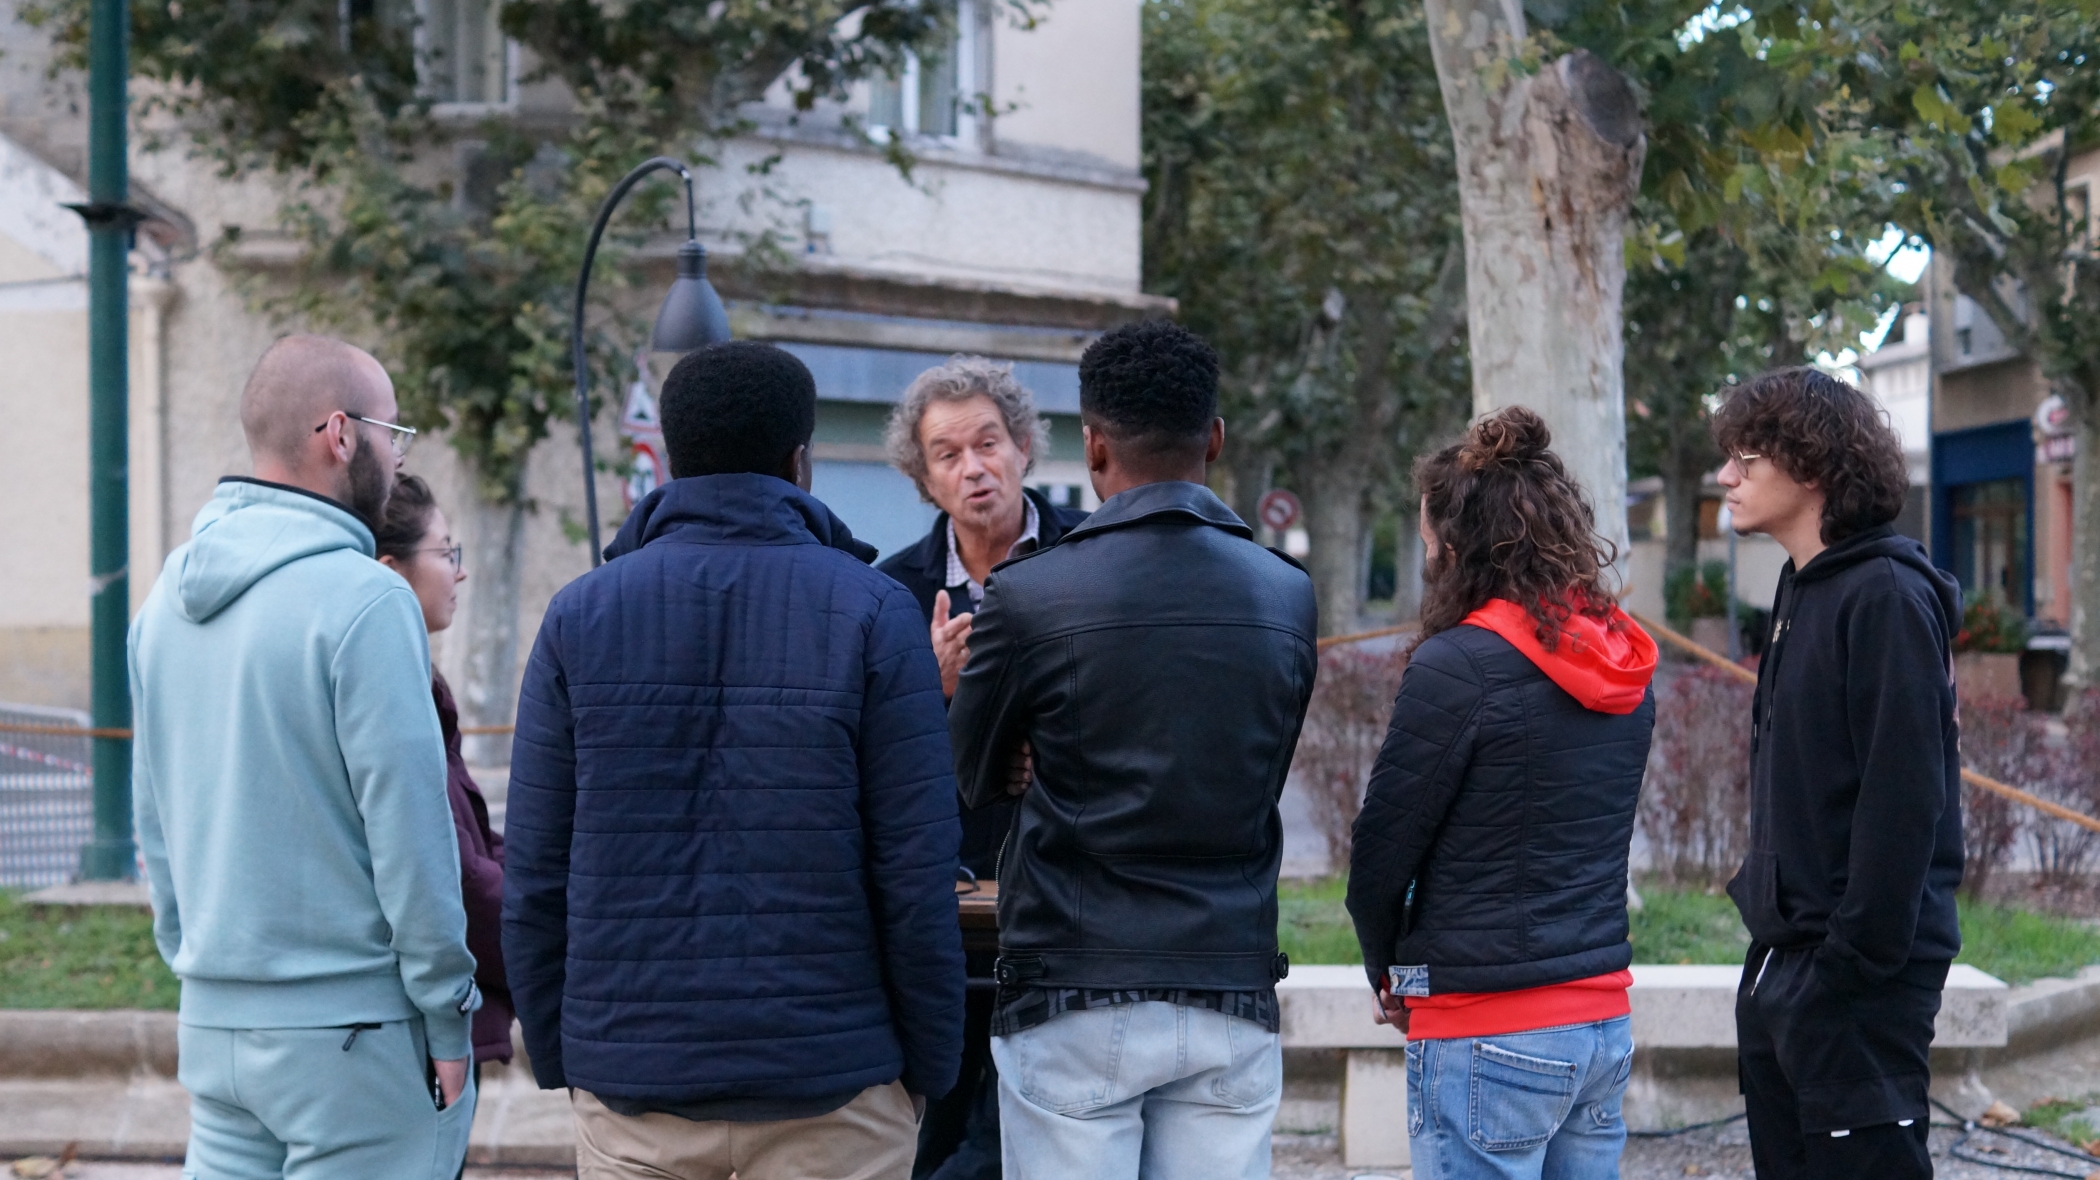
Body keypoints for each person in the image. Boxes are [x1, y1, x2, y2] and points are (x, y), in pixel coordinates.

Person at [503, 341, 966, 1180]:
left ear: (672, 463)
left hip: (634, 1087)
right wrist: (928, 1070)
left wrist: (566, 1056)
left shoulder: (579, 616)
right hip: (838, 1091)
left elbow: (536, 869)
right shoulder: (874, 611)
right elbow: (915, 871)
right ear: (801, 462)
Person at [947, 319, 1318, 1180]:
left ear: (1094, 446)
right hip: (1228, 978)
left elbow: (972, 772)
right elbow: (1257, 763)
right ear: (1215, 439)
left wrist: (1027, 757)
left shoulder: (1030, 593)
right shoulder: (1287, 595)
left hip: (1072, 983)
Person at [129, 334, 480, 1178]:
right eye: (394, 433)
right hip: (354, 1038)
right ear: (340, 433)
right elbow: (410, 834)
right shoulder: (365, 601)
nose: (398, 460)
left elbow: (156, 823)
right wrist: (446, 1016)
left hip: (216, 1029)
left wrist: (199, 967)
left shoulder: (165, 599)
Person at [1344, 407, 1658, 1179]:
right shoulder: (1624, 664)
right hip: (1599, 1021)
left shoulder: (1459, 667)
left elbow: (1381, 858)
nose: (1426, 561)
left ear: (1458, 550)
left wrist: (1390, 975)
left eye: (1427, 544)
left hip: (1485, 1027)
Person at [1712, 367, 1962, 1180]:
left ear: (1812, 467)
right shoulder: (1801, 587)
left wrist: (1847, 966)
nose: (1726, 476)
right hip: (1788, 960)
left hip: (1857, 983)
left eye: (1746, 459)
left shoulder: (1885, 596)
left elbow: (1904, 797)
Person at [875, 356, 1089, 1180]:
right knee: (944, 1136)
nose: (974, 468)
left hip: (1075, 898)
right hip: (950, 912)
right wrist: (923, 694)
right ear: (924, 479)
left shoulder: (1093, 554)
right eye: (948, 455)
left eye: (988, 443)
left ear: (1026, 446)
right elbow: (868, 761)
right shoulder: (891, 593)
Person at [374, 474, 514, 1074]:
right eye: (445, 552)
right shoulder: (392, 690)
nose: (459, 571)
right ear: (391, 570)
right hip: (412, 1032)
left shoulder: (414, 677)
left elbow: (470, 841)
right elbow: (445, 870)